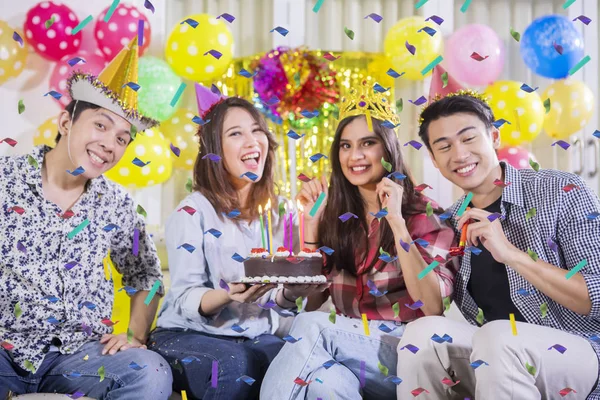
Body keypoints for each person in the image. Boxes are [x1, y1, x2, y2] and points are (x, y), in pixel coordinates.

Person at [396, 90, 600, 400]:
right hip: (498, 359)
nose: (459, 154)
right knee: (423, 334)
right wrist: (396, 222)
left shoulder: (559, 190)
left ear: (494, 136)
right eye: (444, 146)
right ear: (435, 161)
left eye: (468, 138)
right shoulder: (450, 224)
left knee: (499, 334)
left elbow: (596, 296)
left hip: (581, 351)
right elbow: (431, 307)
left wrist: (511, 254)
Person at [260, 81, 458, 400]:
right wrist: (310, 226)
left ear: (388, 149)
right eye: (346, 146)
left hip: (408, 353)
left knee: (314, 327)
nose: (355, 156)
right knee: (325, 385)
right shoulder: (336, 217)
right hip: (348, 348)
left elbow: (433, 305)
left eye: (368, 143)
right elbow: (305, 300)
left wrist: (396, 222)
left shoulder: (425, 214)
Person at [0, 38, 172, 399]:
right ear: (66, 121)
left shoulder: (118, 206)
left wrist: (135, 337)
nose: (111, 144)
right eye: (101, 126)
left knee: (150, 372)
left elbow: (148, 276)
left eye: (123, 138)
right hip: (4, 350)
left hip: (80, 356)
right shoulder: (5, 179)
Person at [148, 85, 327, 400]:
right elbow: (186, 299)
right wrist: (229, 295)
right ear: (213, 150)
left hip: (254, 334)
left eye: (256, 130)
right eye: (235, 134)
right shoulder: (192, 213)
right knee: (232, 366)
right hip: (186, 334)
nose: (252, 141)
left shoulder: (282, 211)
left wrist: (290, 293)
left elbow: (280, 303)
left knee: (300, 362)